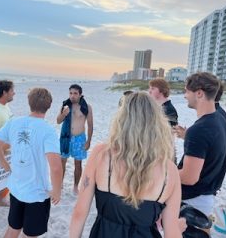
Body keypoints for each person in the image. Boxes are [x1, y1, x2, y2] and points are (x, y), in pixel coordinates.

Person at [70, 92, 182, 238]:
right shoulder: (170, 170)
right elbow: (172, 231)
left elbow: (80, 213)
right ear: (157, 123)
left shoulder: (102, 154)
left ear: (121, 119)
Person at [0, 88, 63, 237]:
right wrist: (57, 191)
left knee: (13, 228)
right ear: (49, 106)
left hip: (16, 188)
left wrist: (5, 165)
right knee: (31, 234)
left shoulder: (14, 122)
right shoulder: (48, 130)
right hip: (37, 193)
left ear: (29, 103)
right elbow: (55, 167)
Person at [177, 72, 226, 226]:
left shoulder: (200, 129)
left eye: (187, 91)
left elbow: (189, 177)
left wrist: (161, 172)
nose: (185, 96)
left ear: (199, 93)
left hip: (192, 202)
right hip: (206, 197)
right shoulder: (221, 120)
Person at [57, 84, 93, 194]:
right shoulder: (65, 105)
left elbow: (90, 125)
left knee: (78, 164)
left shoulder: (87, 107)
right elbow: (58, 121)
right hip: (66, 138)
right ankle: (60, 183)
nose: (72, 96)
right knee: (62, 162)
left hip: (79, 138)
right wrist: (63, 114)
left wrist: (88, 141)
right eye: (70, 93)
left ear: (80, 94)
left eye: (75, 93)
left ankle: (76, 186)